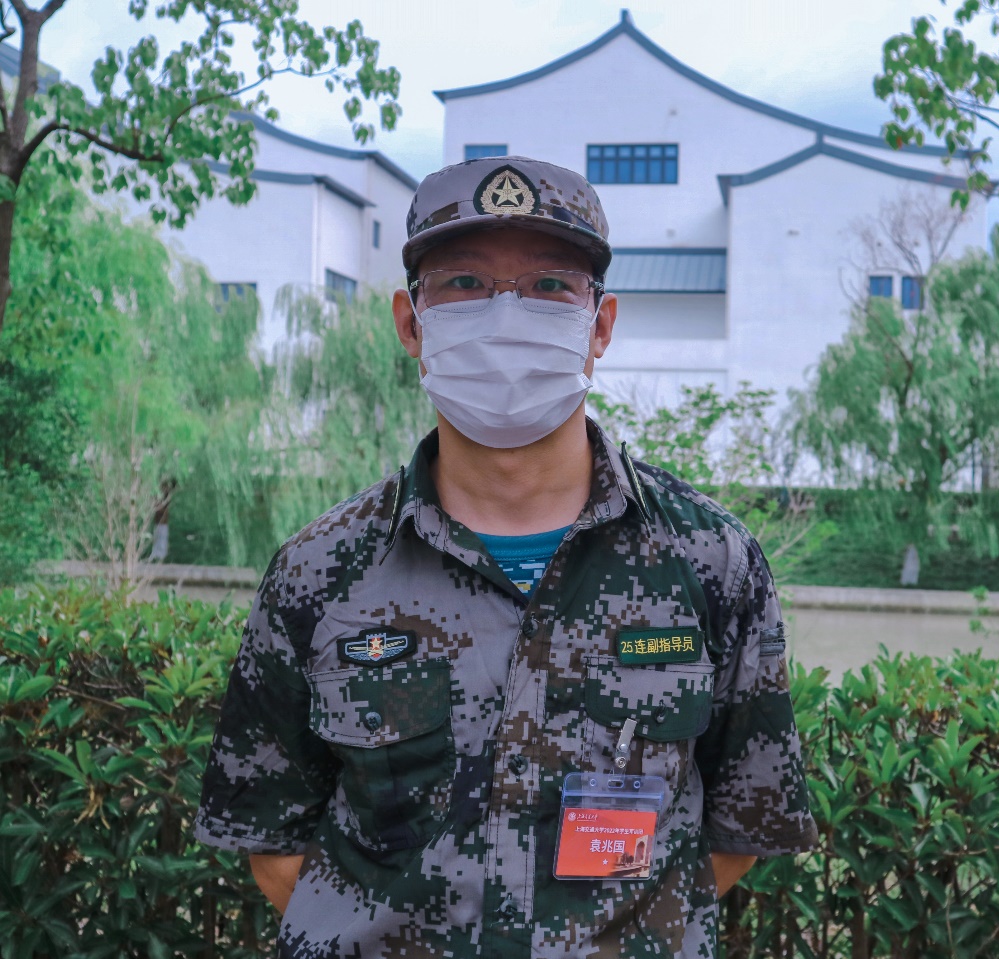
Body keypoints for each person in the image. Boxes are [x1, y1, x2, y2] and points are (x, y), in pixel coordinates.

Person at [195, 155, 818, 958]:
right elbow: (272, 841)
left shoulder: (709, 560)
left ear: (600, 326)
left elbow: (740, 828)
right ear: (410, 323)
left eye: (550, 285)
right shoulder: (320, 570)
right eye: (463, 283)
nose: (505, 315)